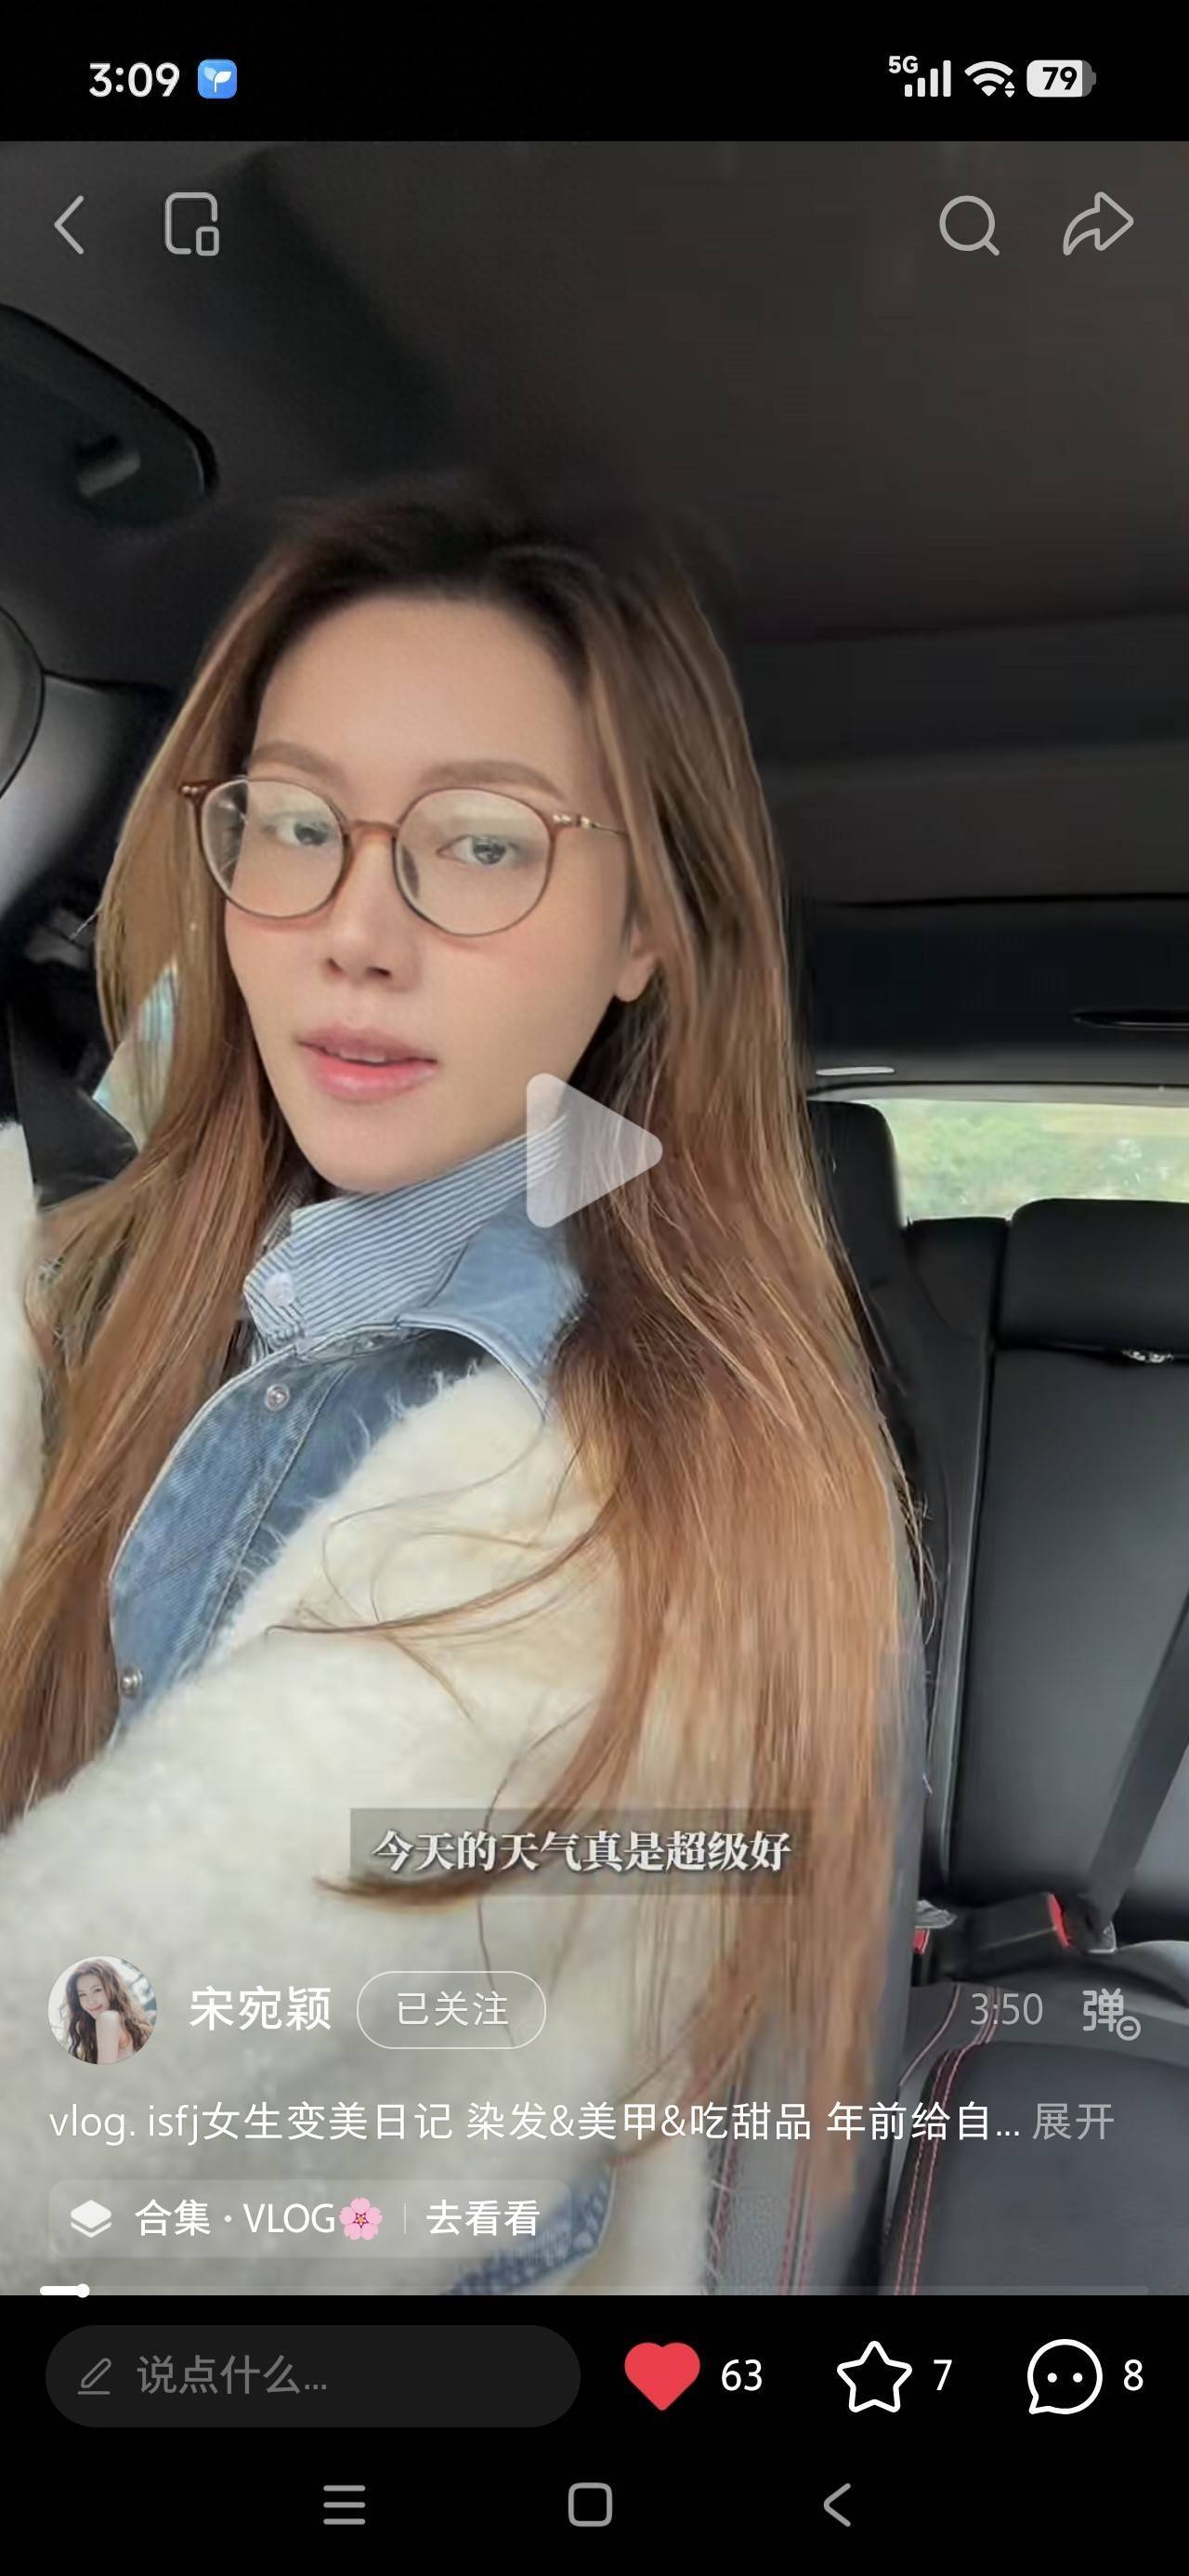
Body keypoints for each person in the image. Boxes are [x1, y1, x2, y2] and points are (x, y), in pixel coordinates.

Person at [0, 467, 923, 2293]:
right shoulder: (173, 1287)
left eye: (484, 843)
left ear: (646, 929)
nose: (354, 925)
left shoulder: (592, 1505)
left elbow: (61, 2092)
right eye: (295, 823)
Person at [62, 1959, 153, 2064]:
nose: (90, 2001)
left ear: (113, 1988)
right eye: (82, 1994)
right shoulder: (134, 2029)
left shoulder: (107, 2019)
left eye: (97, 1990)